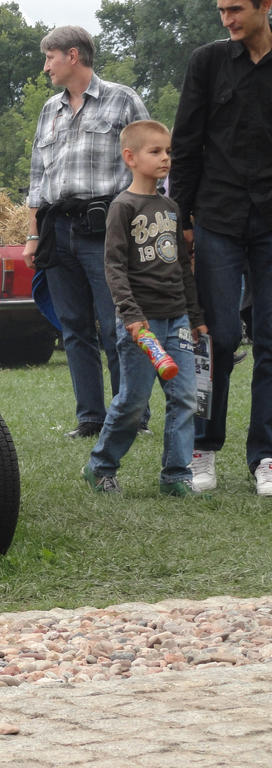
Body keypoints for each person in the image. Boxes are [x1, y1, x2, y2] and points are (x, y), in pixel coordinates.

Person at [23, 25, 150, 439]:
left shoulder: (122, 99)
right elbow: (37, 177)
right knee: (74, 327)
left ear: (73, 56)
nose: (46, 67)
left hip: (106, 228)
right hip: (57, 229)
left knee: (116, 326)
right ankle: (90, 419)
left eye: (50, 58)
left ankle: (131, 416)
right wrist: (32, 235)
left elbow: (149, 161)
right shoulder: (49, 110)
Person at [170, 0, 272, 494]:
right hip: (217, 216)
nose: (227, 19)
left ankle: (267, 457)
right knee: (219, 338)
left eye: (235, 9)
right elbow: (185, 141)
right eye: (221, 10)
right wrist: (180, 218)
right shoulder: (207, 62)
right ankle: (203, 449)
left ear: (265, 5)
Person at [82, 120, 208, 496]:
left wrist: (196, 317)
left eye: (168, 151)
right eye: (156, 152)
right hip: (142, 323)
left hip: (179, 319)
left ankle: (176, 476)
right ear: (130, 158)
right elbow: (114, 268)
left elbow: (183, 268)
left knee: (185, 398)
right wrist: (131, 315)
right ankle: (101, 466)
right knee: (133, 401)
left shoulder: (171, 208)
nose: (165, 158)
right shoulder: (122, 207)